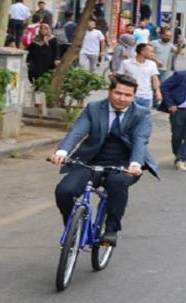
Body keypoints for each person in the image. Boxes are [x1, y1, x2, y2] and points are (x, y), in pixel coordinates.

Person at [50, 74, 158, 247]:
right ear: (109, 91)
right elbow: (77, 132)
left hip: (125, 163)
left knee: (116, 183)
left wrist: (135, 164)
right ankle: (74, 227)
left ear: (133, 96)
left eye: (128, 95)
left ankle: (111, 230)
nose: (122, 98)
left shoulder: (141, 114)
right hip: (92, 161)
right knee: (64, 191)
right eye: (118, 93)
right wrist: (62, 152)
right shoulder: (94, 108)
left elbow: (140, 140)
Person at [118, 43, 162, 108]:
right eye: (151, 52)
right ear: (142, 52)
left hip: (147, 97)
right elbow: (119, 77)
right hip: (131, 95)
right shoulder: (126, 63)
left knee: (144, 117)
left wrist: (158, 91)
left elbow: (155, 79)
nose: (152, 54)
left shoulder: (152, 64)